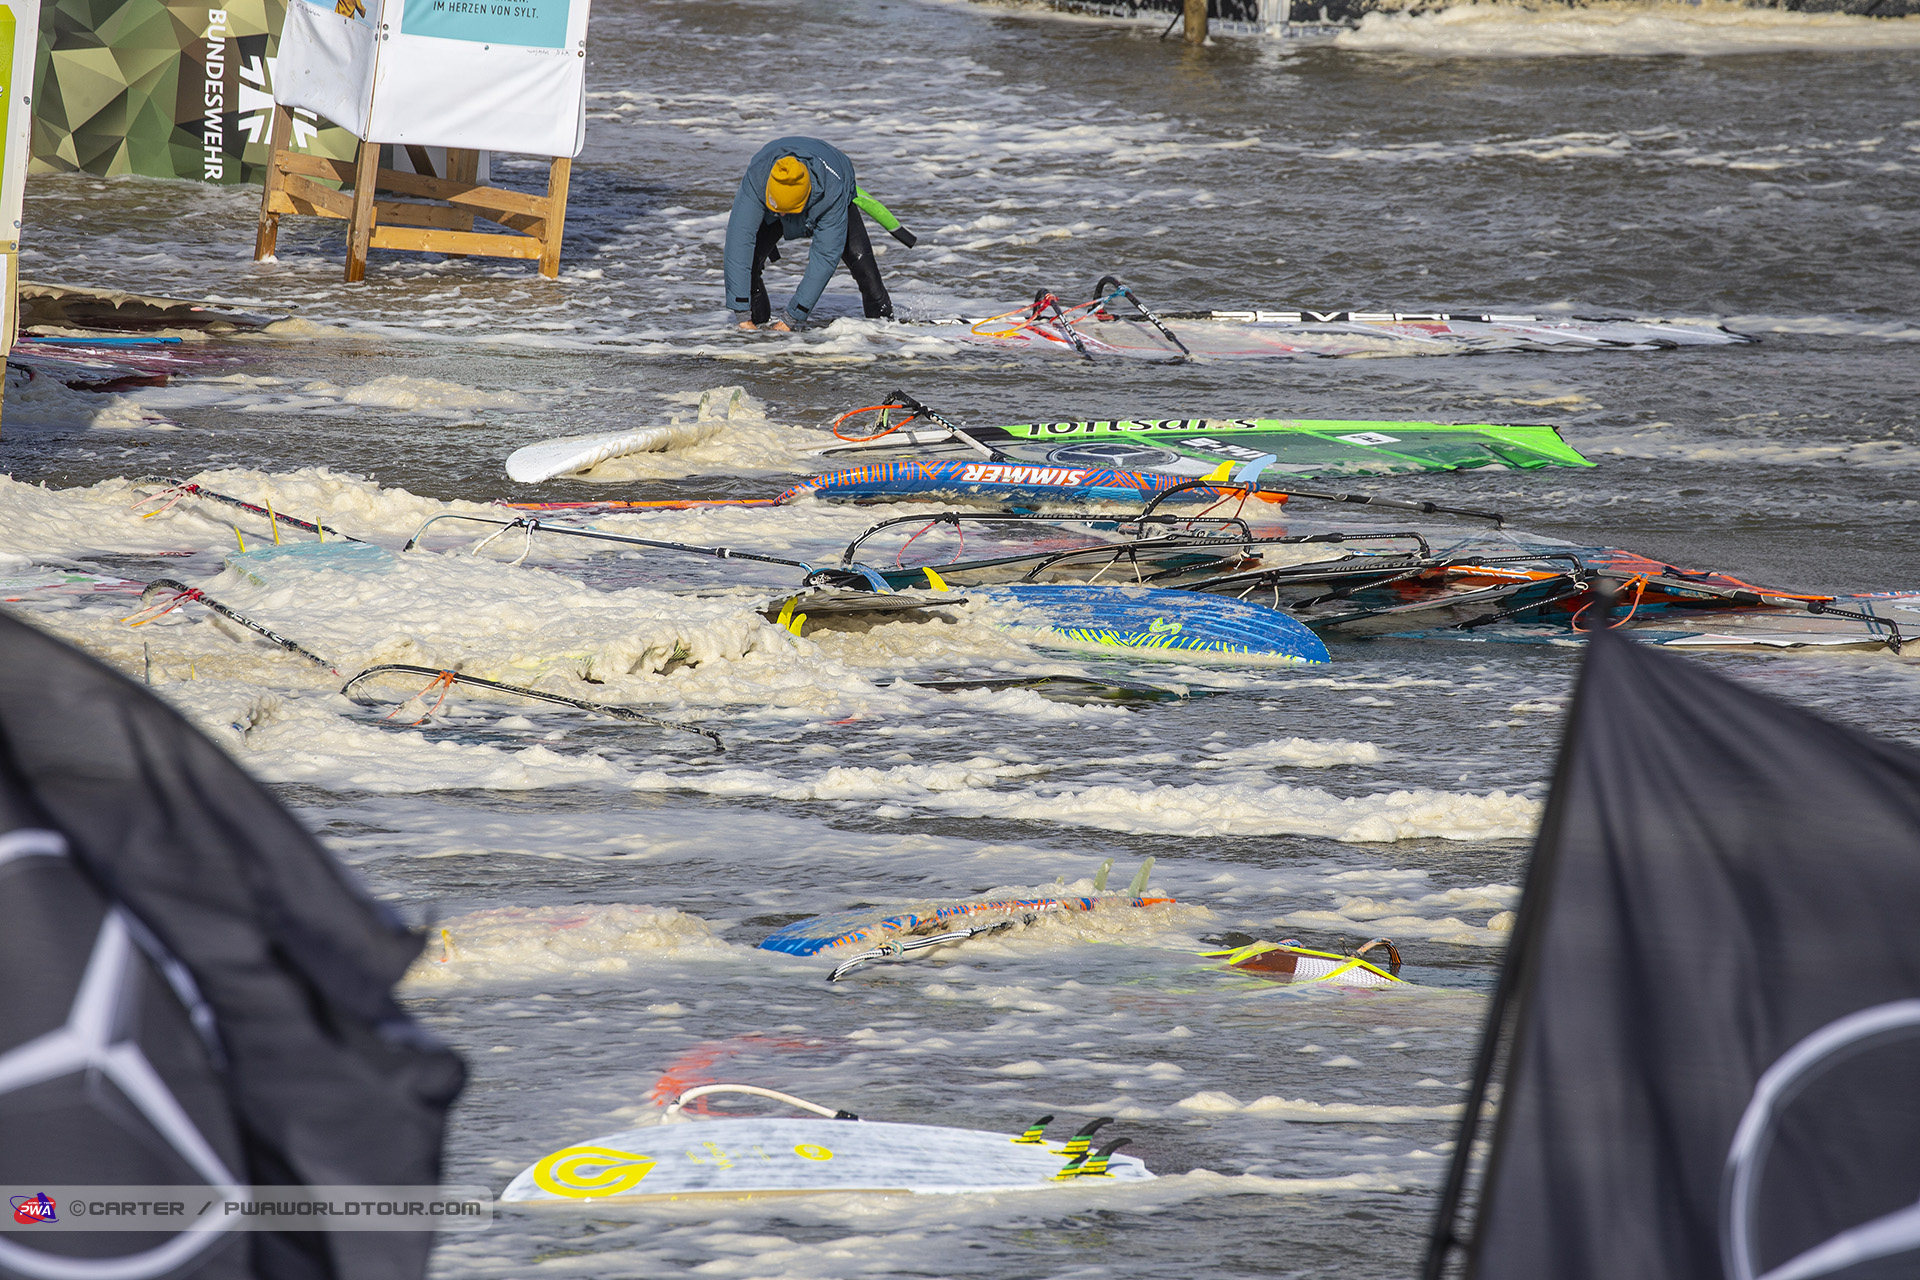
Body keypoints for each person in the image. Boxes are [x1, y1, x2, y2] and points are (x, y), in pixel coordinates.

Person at [724, 136, 898, 331]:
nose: (781, 215)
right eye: (777, 210)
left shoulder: (833, 192)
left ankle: (884, 334)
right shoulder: (757, 178)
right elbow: (737, 245)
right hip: (770, 196)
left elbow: (824, 258)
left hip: (831, 187)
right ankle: (754, 332)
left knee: (864, 268)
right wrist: (741, 315)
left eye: (785, 212)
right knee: (751, 263)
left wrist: (792, 317)